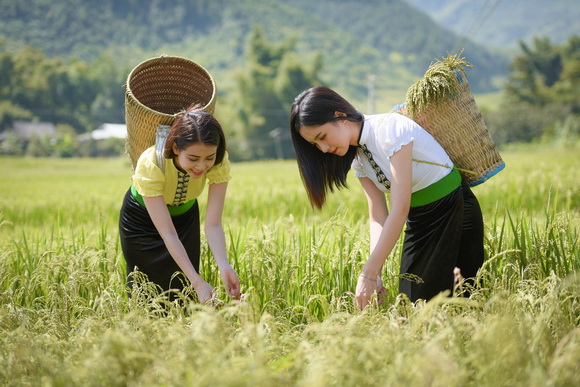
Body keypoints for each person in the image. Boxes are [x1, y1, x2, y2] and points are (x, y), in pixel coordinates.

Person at [289, 86, 484, 310]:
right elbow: (378, 218)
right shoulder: (358, 159)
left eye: (322, 137)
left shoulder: (389, 129)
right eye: (315, 145)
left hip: (451, 206)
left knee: (433, 304)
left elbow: (400, 207)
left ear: (340, 116)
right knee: (419, 307)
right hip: (421, 217)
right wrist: (376, 273)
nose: (322, 148)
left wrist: (369, 273)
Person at [119, 106, 241, 304]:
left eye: (208, 158)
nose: (201, 166)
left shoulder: (219, 161)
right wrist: (197, 281)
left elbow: (213, 224)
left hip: (185, 218)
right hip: (142, 221)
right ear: (176, 148)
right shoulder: (152, 163)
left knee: (184, 294)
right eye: (193, 158)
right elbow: (167, 233)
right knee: (146, 295)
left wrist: (224, 266)